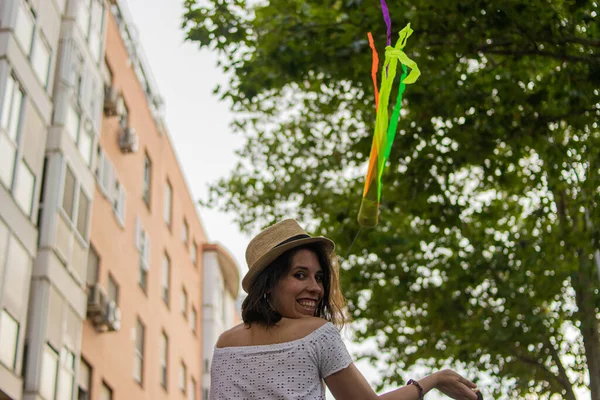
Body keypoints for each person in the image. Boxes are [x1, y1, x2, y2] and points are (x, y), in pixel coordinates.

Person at [210, 219, 482, 400]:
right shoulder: (316, 333)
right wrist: (431, 381)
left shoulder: (224, 344)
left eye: (319, 277)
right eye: (300, 275)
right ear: (269, 283)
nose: (316, 289)